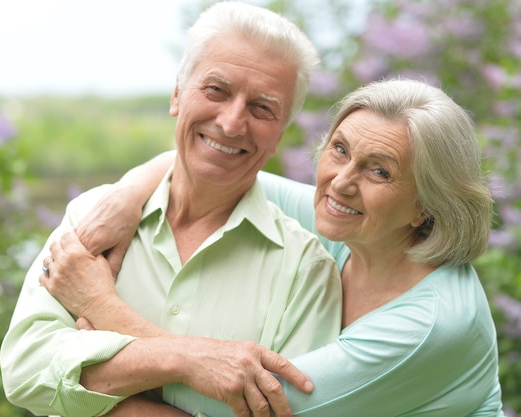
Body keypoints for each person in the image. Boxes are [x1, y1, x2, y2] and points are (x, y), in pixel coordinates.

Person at [45, 78, 505, 416]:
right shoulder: (357, 227)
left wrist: (100, 312)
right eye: (340, 150)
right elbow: (211, 168)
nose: (340, 183)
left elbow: (247, 405)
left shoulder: (429, 325)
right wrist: (127, 195)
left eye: (379, 171)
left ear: (426, 205)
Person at [0, 3, 343, 417]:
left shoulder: (308, 273)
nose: (232, 123)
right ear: (177, 93)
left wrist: (103, 372)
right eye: (217, 90)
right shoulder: (93, 217)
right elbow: (25, 370)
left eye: (262, 108)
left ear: (280, 134)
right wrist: (190, 360)